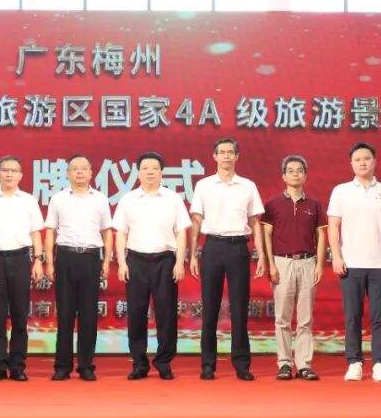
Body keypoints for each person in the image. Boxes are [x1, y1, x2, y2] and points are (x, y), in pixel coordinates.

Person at [188, 137, 266, 381]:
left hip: (238, 248)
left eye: (230, 152)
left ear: (237, 156)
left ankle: (241, 364)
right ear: (215, 156)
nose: (226, 156)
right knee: (209, 308)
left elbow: (255, 222)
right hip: (212, 247)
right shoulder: (204, 186)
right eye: (221, 152)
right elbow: (196, 221)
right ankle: (207, 364)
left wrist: (262, 255)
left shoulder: (248, 186)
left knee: (240, 308)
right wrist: (193, 254)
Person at [327, 142, 381, 382]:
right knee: (352, 316)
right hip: (350, 264)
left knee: (380, 317)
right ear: (351, 163)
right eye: (358, 159)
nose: (363, 163)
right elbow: (333, 226)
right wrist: (336, 256)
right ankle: (354, 363)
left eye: (367, 158)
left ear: (374, 161)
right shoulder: (341, 191)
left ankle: (380, 363)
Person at [113, 152, 191, 380]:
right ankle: (139, 363)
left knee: (166, 313)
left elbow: (181, 232)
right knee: (136, 313)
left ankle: (164, 362)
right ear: (138, 173)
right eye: (145, 168)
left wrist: (179, 262)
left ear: (161, 172)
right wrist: (122, 262)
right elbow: (121, 233)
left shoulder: (172, 199)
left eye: (154, 168)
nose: (150, 172)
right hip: (136, 261)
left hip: (165, 261)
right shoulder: (128, 199)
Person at [0, 156, 45, 382]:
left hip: (20, 259)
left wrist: (38, 260)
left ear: (21, 175)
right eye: (5, 170)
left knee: (20, 315)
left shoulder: (29, 201)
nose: (9, 174)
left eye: (14, 171)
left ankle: (17, 366)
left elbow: (36, 234)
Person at [44, 154, 113, 381]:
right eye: (75, 168)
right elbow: (50, 231)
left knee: (88, 314)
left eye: (84, 168)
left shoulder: (100, 199)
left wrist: (106, 261)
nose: (80, 172)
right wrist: (50, 262)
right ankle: (62, 367)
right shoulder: (58, 199)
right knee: (64, 314)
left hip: (91, 258)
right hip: (65, 257)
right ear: (68, 173)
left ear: (92, 173)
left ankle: (86, 366)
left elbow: (107, 232)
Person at [261, 155, 326, 381]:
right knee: (282, 318)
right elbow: (266, 235)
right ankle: (285, 364)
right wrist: (271, 264)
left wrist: (319, 264)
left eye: (299, 170)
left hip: (308, 262)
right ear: (283, 176)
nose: (295, 174)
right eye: (290, 171)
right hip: (282, 262)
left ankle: (304, 364)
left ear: (305, 175)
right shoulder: (273, 204)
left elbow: (321, 235)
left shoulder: (314, 205)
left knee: (305, 319)